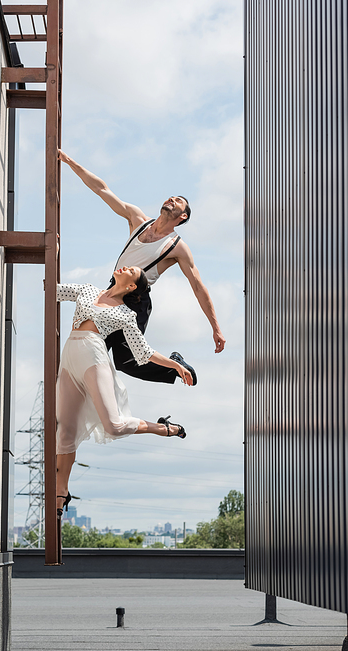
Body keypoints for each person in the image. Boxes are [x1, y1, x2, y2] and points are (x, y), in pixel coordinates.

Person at [58, 150, 226, 386]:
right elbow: (101, 189)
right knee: (90, 349)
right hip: (113, 289)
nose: (171, 200)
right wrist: (69, 162)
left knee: (126, 362)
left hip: (136, 300)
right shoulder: (137, 219)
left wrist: (216, 329)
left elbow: (198, 286)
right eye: (170, 197)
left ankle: (176, 367)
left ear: (183, 216)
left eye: (177, 201)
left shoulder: (177, 247)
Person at [56, 265, 192, 515]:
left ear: (131, 286)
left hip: (93, 357)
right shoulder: (86, 290)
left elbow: (144, 352)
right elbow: (51, 292)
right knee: (65, 430)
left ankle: (162, 429)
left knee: (114, 426)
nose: (127, 267)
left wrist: (175, 365)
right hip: (69, 358)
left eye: (133, 271)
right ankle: (61, 493)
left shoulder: (125, 315)